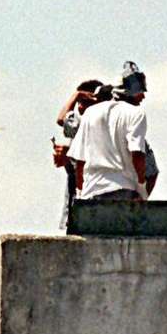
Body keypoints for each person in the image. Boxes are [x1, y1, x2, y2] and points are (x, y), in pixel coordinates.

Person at [68, 61, 156, 202]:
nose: (142, 97)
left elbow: (80, 161)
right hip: (123, 191)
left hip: (91, 193)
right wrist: (141, 189)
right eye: (140, 93)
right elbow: (138, 155)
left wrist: (79, 192)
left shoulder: (90, 113)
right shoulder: (135, 113)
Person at [53, 79, 109, 227]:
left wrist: (76, 95)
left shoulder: (88, 124)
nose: (81, 107)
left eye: (85, 102)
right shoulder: (85, 124)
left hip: (90, 195)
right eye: (80, 103)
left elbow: (61, 119)